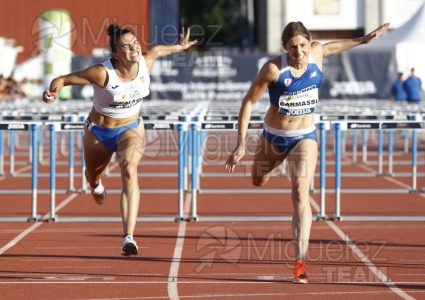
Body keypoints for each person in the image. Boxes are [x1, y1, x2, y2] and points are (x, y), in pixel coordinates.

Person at [224, 21, 390, 283]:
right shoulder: (273, 69)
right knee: (258, 180)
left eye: (302, 45)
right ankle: (274, 165)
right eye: (292, 47)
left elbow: (335, 46)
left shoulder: (317, 53)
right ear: (284, 47)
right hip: (274, 136)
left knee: (301, 191)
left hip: (305, 135)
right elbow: (248, 102)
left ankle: (300, 261)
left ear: (309, 43)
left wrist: (363, 39)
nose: (298, 52)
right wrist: (241, 143)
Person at [42, 24, 199, 256]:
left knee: (129, 169)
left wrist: (180, 46)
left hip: (131, 128)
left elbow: (157, 51)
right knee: (92, 176)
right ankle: (96, 186)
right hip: (99, 132)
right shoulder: (102, 73)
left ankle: (129, 237)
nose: (133, 48)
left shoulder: (145, 61)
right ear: (115, 53)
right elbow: (62, 79)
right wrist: (52, 93)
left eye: (135, 43)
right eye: (126, 46)